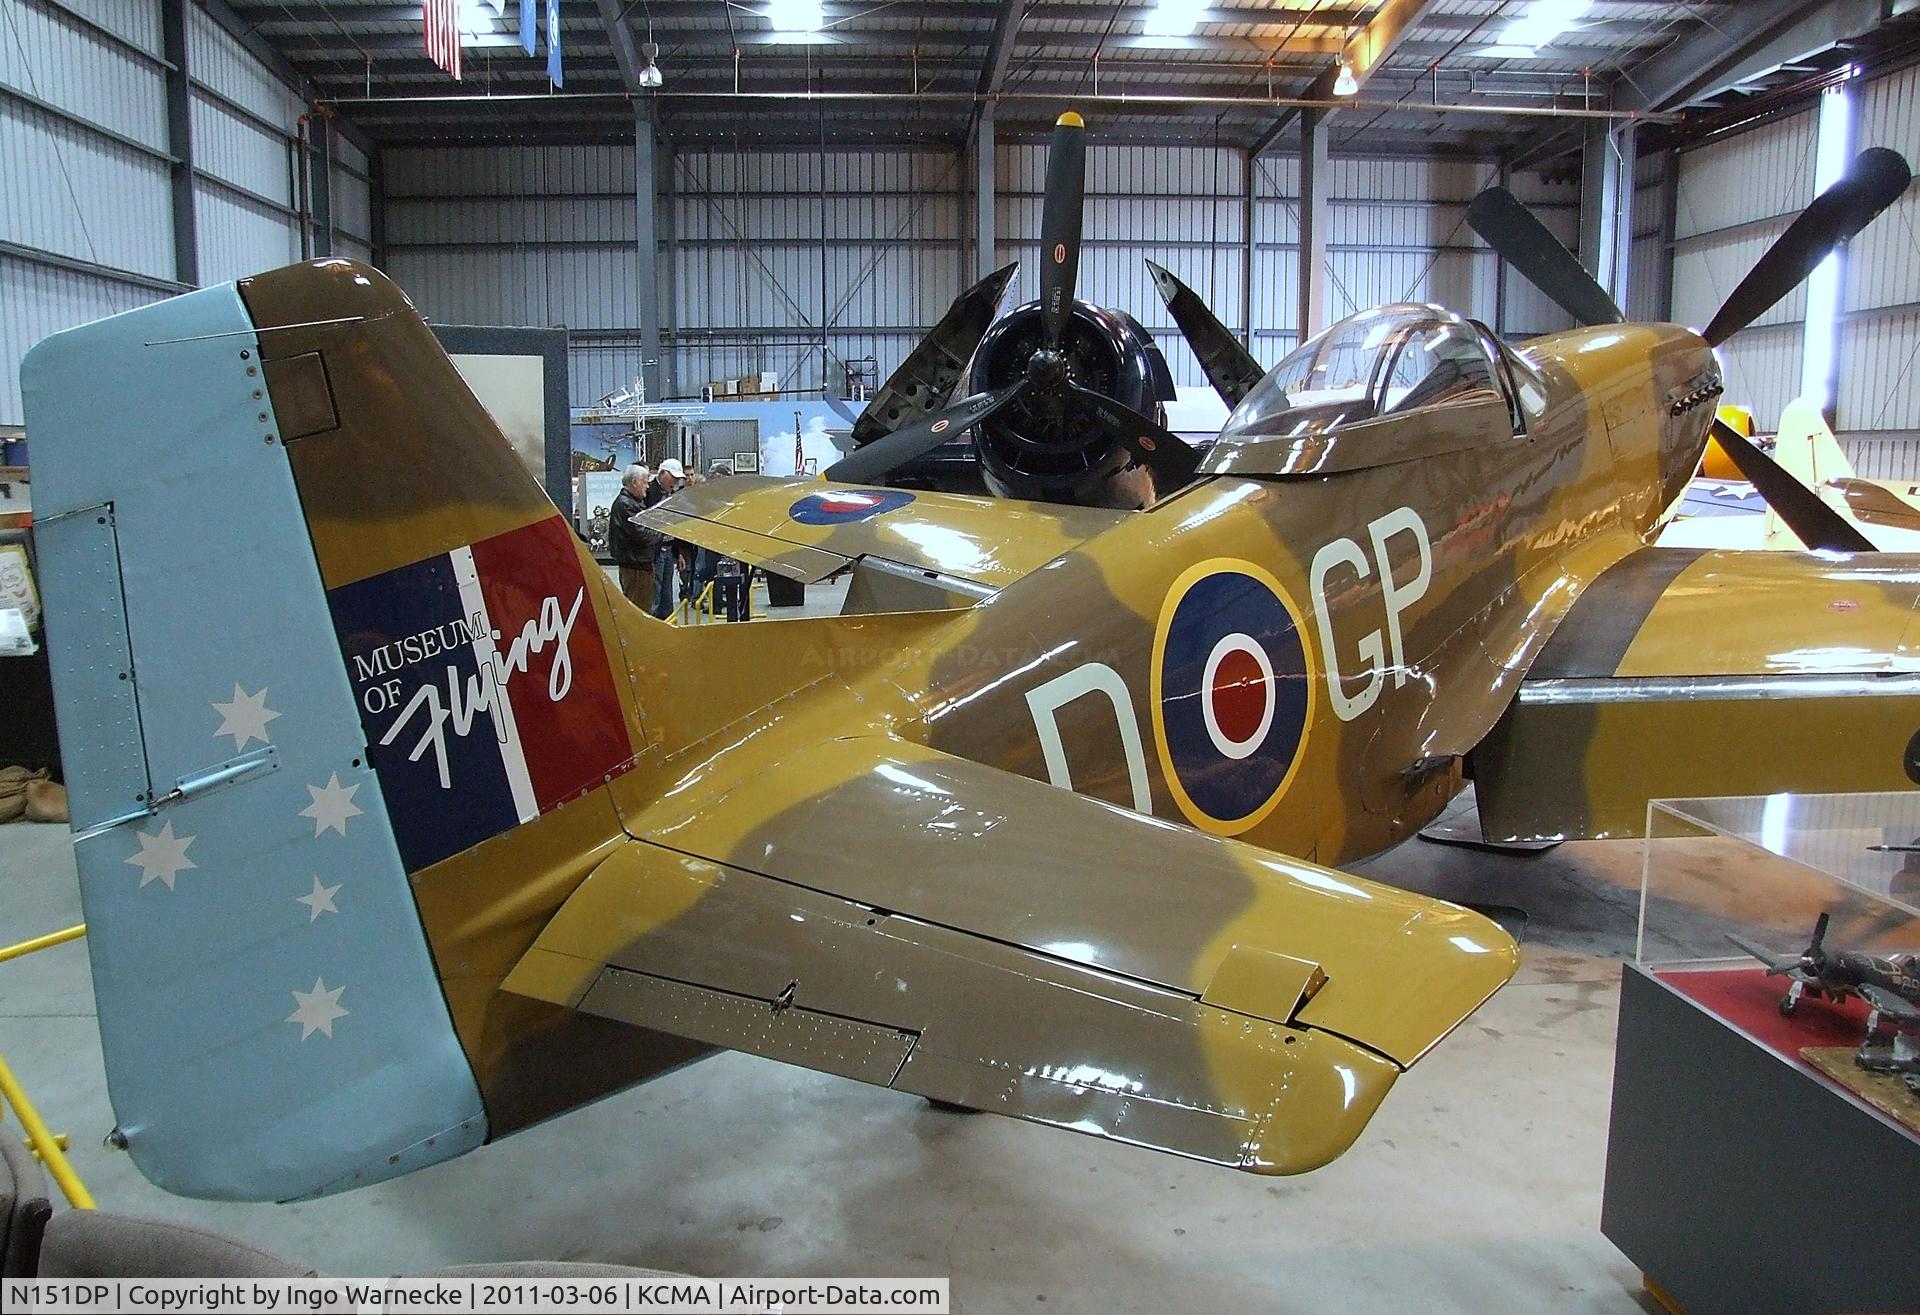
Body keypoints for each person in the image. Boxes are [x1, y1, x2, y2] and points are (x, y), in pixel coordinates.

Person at [606, 464, 656, 611]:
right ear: (634, 482)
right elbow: (643, 535)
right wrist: (661, 532)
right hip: (635, 567)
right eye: (645, 482)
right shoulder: (626, 505)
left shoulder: (633, 503)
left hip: (639, 564)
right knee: (638, 610)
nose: (647, 487)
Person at [645, 458, 685, 619]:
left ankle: (667, 619)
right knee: (656, 588)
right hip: (655, 549)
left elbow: (673, 525)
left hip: (668, 547)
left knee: (667, 588)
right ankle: (654, 621)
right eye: (672, 477)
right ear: (662, 474)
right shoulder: (649, 493)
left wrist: (678, 553)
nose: (675, 482)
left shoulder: (671, 495)